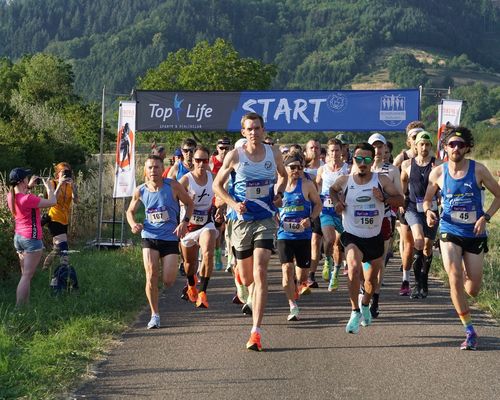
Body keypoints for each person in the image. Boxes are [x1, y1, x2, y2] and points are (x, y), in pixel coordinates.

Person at [213, 112, 287, 351]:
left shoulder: (273, 153)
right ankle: (242, 284)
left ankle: (256, 330)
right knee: (246, 277)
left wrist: (279, 194)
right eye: (249, 129)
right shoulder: (235, 156)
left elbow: (283, 176)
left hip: (265, 218)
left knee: (261, 270)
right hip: (242, 220)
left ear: (263, 130)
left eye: (257, 128)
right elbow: (217, 185)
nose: (254, 132)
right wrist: (233, 204)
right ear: (243, 132)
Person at [424, 126, 500, 350]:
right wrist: (429, 211)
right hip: (449, 230)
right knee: (454, 277)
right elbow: (427, 199)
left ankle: (466, 281)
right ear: (445, 148)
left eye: (460, 144)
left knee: (472, 289)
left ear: (467, 148)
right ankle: (470, 331)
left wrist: (485, 217)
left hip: (475, 232)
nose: (456, 147)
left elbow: (498, 195)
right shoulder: (438, 173)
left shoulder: (479, 170)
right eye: (451, 144)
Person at [329, 143, 403, 334]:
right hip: (352, 234)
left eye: (367, 159)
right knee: (353, 269)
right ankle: (354, 311)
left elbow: (401, 200)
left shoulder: (381, 180)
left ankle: (365, 304)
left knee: (370, 282)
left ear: (372, 161)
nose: (363, 163)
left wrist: (384, 198)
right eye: (359, 159)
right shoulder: (344, 180)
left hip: (374, 236)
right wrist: (338, 202)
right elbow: (332, 190)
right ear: (353, 159)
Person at [126, 155, 194, 329]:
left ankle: (164, 294)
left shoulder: (173, 186)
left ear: (161, 169)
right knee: (151, 275)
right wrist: (134, 224)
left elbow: (189, 203)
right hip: (149, 236)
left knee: (168, 281)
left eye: (156, 167)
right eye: (150, 167)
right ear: (145, 171)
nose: (153, 171)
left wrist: (184, 222)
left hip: (170, 237)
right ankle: (154, 314)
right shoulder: (140, 190)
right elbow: (130, 212)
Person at [278, 152, 321, 321]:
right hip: (284, 234)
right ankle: (292, 305)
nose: (296, 170)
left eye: (300, 167)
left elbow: (318, 203)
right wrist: (274, 215)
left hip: (303, 235)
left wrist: (310, 219)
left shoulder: (307, 185)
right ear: (285, 168)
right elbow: (270, 203)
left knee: (302, 275)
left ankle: (297, 286)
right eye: (293, 167)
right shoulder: (278, 185)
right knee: (286, 269)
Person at [366, 133, 403, 318]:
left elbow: (400, 199)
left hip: (385, 219)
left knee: (379, 262)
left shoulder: (392, 170)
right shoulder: (359, 167)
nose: (377, 151)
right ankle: (364, 290)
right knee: (362, 261)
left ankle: (375, 300)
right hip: (362, 219)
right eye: (374, 147)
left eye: (380, 147)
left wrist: (385, 198)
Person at [401, 131, 441, 299]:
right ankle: (416, 284)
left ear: (431, 146)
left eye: (427, 145)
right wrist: (402, 197)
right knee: (417, 240)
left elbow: (444, 183)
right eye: (421, 144)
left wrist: (439, 196)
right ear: (415, 146)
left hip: (431, 210)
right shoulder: (407, 164)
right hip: (412, 208)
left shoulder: (437, 164)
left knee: (427, 246)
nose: (424, 148)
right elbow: (403, 180)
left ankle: (424, 280)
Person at [7, 168, 56, 305]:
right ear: (22, 181)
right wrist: (49, 187)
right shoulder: (28, 199)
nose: (29, 179)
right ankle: (19, 308)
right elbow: (53, 202)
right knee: (27, 276)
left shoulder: (11, 196)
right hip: (31, 239)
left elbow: (21, 195)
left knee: (25, 275)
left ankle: (25, 305)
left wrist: (29, 187)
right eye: (27, 178)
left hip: (19, 238)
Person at [178, 146, 219, 308]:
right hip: (188, 225)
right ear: (193, 161)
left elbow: (221, 194)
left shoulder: (213, 178)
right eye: (198, 160)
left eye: (204, 160)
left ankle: (203, 292)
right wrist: (186, 200)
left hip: (206, 223)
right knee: (190, 264)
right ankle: (191, 285)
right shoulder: (186, 180)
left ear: (208, 161)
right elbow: (175, 199)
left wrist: (221, 208)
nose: (201, 164)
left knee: (208, 253)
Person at [394, 121, 425, 296]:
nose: (417, 140)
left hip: (426, 206)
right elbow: (393, 178)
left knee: (424, 245)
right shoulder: (402, 158)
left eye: (420, 136)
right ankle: (406, 279)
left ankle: (421, 278)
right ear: (408, 141)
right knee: (409, 243)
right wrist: (399, 200)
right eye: (414, 137)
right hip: (407, 205)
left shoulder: (430, 156)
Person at [316, 138, 349, 291]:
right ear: (327, 153)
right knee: (329, 240)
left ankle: (335, 273)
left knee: (339, 244)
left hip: (343, 211)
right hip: (326, 210)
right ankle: (327, 261)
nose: (334, 153)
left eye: (337, 150)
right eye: (331, 151)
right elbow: (317, 186)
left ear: (341, 151)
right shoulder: (322, 170)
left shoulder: (348, 169)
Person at [42, 162, 79, 271]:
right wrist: (60, 184)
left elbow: (76, 201)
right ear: (58, 174)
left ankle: (45, 267)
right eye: (63, 172)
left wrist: (74, 188)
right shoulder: (52, 183)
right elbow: (52, 200)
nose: (66, 174)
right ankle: (65, 268)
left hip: (64, 219)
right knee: (63, 245)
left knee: (57, 248)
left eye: (68, 172)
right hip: (54, 218)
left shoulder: (70, 185)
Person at [303, 139, 324, 288]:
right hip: (301, 210)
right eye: (311, 147)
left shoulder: (325, 167)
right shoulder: (300, 169)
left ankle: (311, 274)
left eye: (317, 147)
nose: (314, 150)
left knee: (316, 241)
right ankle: (299, 272)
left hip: (319, 208)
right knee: (303, 243)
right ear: (306, 151)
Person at [210, 137, 231, 270]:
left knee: (228, 229)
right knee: (216, 230)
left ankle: (229, 258)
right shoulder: (212, 162)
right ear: (217, 148)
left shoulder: (232, 160)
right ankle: (216, 255)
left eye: (226, 148)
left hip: (229, 198)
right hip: (214, 199)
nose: (223, 151)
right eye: (221, 148)